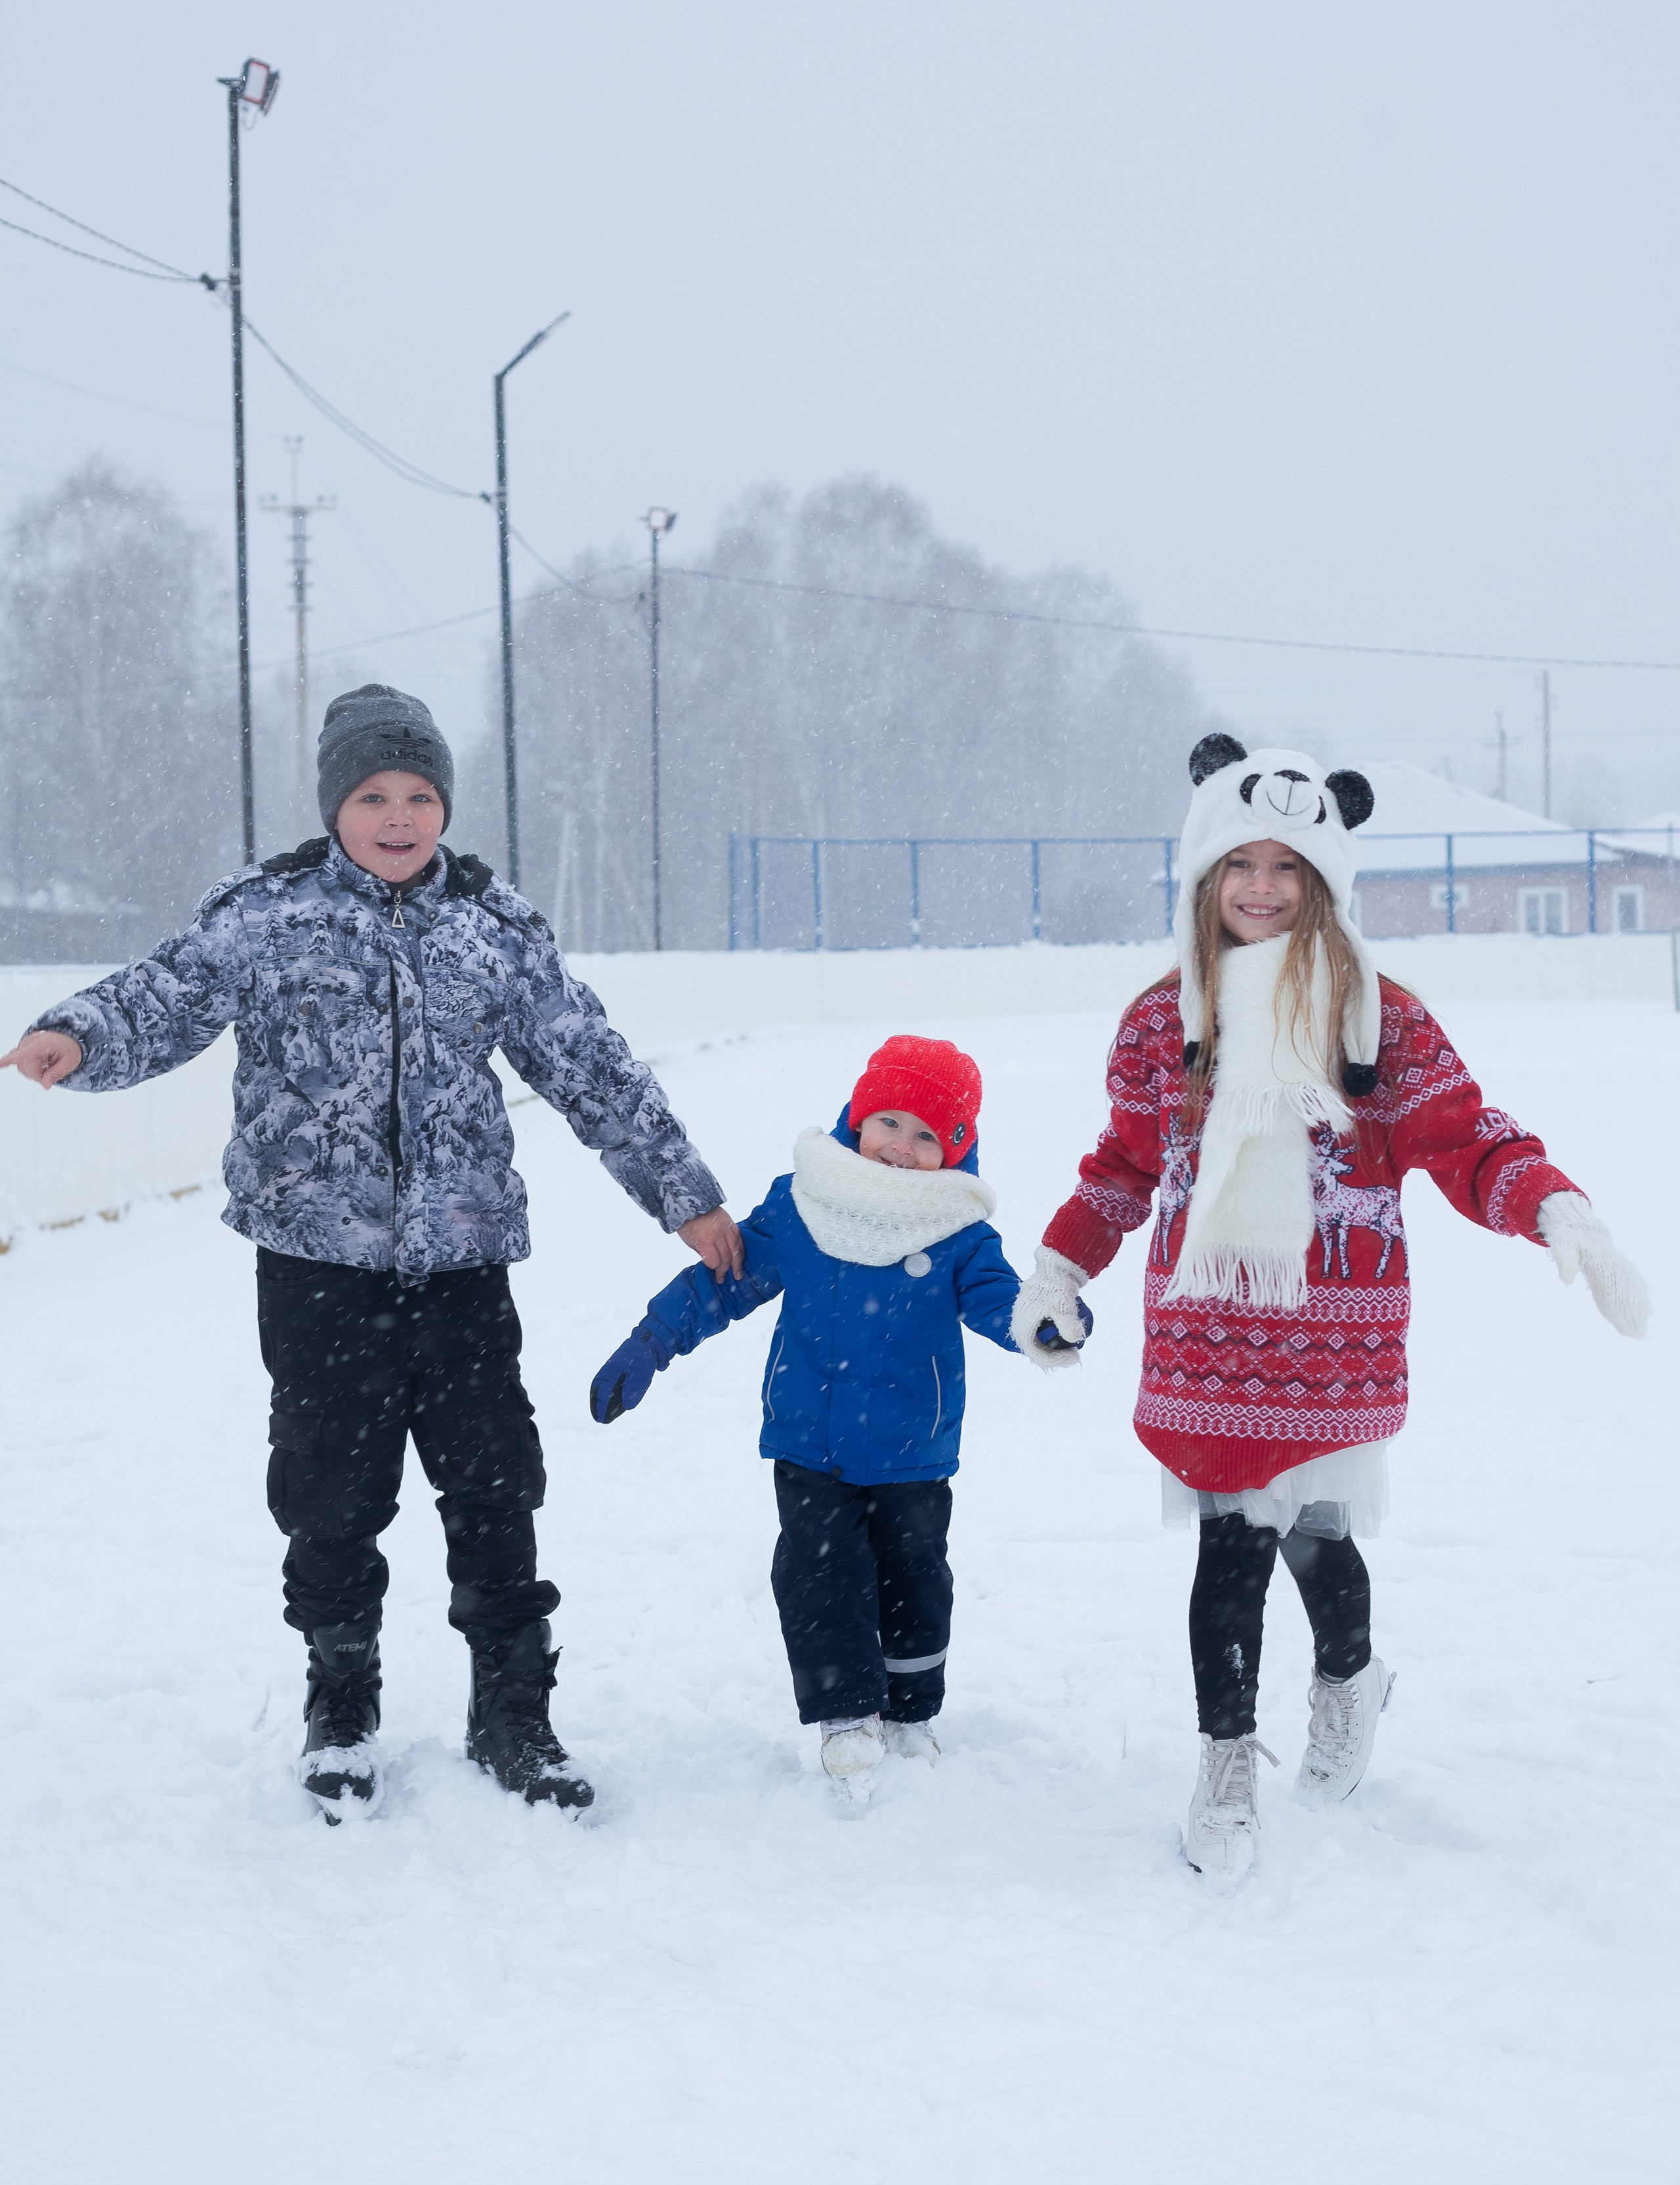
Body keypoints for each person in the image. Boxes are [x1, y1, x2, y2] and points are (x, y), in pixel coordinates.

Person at [2, 684, 743, 1823]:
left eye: (420, 795)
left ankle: (513, 1712)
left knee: (495, 1488)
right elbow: (163, 994)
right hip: (316, 1266)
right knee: (330, 1494)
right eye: (372, 795)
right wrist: (77, 1035)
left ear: (444, 803)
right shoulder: (269, 916)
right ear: (334, 805)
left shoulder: (493, 929)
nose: (398, 817)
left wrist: (684, 1197)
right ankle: (339, 1703)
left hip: (460, 1264)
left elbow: (591, 1066)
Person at [1011, 734, 1648, 1884]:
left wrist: (1556, 1210)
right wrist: (1061, 1268)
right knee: (1228, 1547)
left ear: (1323, 883)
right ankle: (1225, 1765)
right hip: (1206, 1333)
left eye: (1289, 867)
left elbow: (1463, 1138)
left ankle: (1350, 1679)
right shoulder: (1164, 1020)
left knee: (1317, 1539)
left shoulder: (1378, 1018)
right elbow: (1123, 1161)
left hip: (1327, 1334)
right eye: (1240, 864)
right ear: (1206, 878)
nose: (1262, 887)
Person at [587, 1034, 1064, 1798]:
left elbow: (998, 1302)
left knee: (913, 1576)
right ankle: (845, 1711)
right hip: (809, 1441)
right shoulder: (804, 1202)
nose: (902, 1149)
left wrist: (1043, 1324)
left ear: (958, 1153)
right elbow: (726, 1281)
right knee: (816, 1572)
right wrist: (654, 1340)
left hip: (914, 1447)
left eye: (928, 1136)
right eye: (891, 1124)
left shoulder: (957, 1230)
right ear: (856, 1120)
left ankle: (910, 1709)